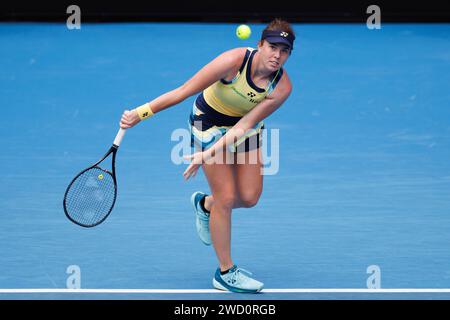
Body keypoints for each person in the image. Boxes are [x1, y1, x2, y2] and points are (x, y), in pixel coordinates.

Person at [120, 18, 295, 293]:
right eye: (272, 47)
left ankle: (205, 205)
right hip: (208, 122)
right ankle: (225, 272)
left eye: (284, 51)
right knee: (226, 197)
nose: (277, 55)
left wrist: (207, 155)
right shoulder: (233, 62)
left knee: (249, 198)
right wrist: (140, 114)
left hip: (242, 128)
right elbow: (182, 91)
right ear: (259, 44)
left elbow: (245, 125)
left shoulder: (281, 87)